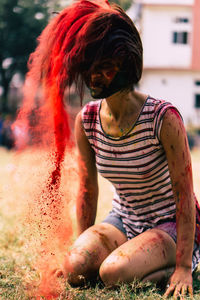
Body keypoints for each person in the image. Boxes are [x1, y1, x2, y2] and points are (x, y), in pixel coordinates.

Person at [25, 0, 200, 298]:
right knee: (77, 268)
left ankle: (191, 262)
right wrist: (81, 252)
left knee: (112, 274)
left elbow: (185, 193)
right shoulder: (88, 120)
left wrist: (183, 266)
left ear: (126, 64)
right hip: (123, 219)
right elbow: (87, 190)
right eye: (90, 67)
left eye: (104, 68)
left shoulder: (163, 117)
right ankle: (123, 261)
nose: (93, 76)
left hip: (167, 225)